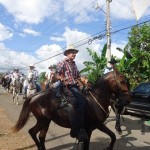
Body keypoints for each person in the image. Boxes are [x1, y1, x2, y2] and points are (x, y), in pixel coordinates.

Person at [55, 45, 88, 141]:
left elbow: (77, 76)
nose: (74, 54)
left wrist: (83, 79)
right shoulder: (62, 63)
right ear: (67, 53)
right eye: (72, 52)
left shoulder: (74, 64)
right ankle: (75, 129)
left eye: (75, 52)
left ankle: (81, 123)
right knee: (75, 103)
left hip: (75, 86)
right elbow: (57, 74)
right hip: (66, 86)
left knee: (84, 100)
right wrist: (61, 78)